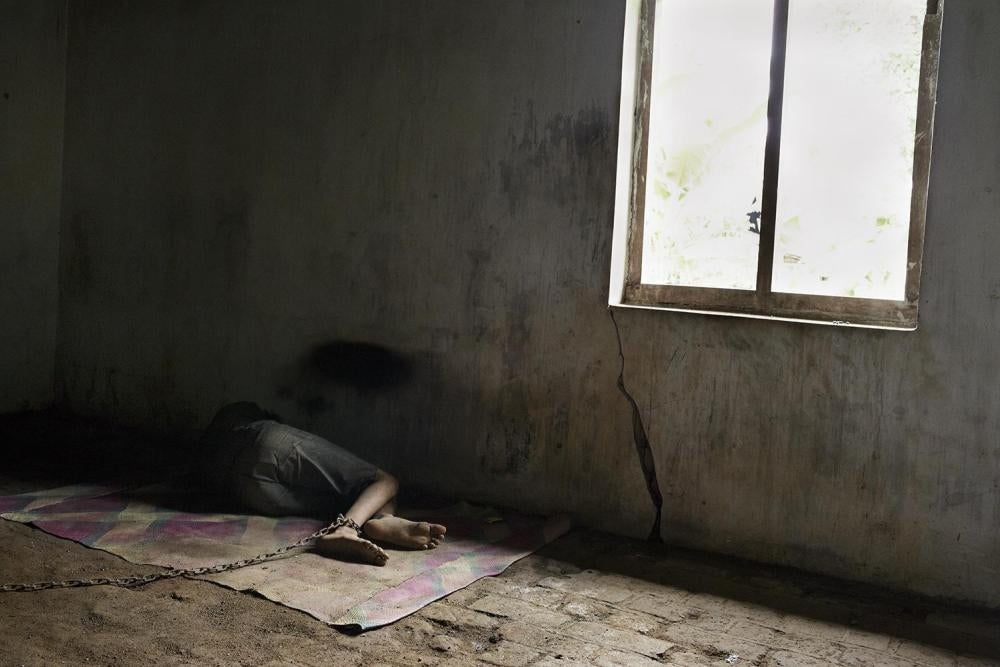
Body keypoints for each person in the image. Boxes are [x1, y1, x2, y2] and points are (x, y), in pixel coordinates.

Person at [199, 402, 445, 566]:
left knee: (357, 496)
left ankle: (381, 519)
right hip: (265, 443)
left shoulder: (205, 449)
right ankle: (347, 528)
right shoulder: (248, 415)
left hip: (242, 491)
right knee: (385, 480)